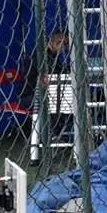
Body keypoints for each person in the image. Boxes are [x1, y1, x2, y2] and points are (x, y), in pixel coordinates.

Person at [19, 27, 70, 165]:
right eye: (65, 45)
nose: (65, 49)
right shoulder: (40, 55)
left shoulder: (52, 55)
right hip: (29, 96)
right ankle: (54, 134)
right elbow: (44, 83)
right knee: (52, 99)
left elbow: (60, 74)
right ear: (58, 42)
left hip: (47, 94)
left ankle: (60, 132)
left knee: (61, 97)